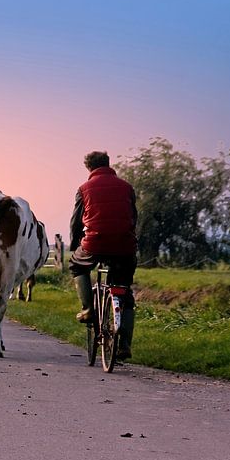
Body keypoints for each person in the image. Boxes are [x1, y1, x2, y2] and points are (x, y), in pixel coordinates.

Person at [69, 151, 137, 360]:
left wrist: (74, 245)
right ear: (108, 164)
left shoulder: (84, 189)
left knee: (77, 266)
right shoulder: (127, 187)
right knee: (124, 292)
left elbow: (76, 222)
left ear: (89, 168)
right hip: (124, 246)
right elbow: (133, 217)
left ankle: (88, 309)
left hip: (94, 244)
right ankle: (124, 343)